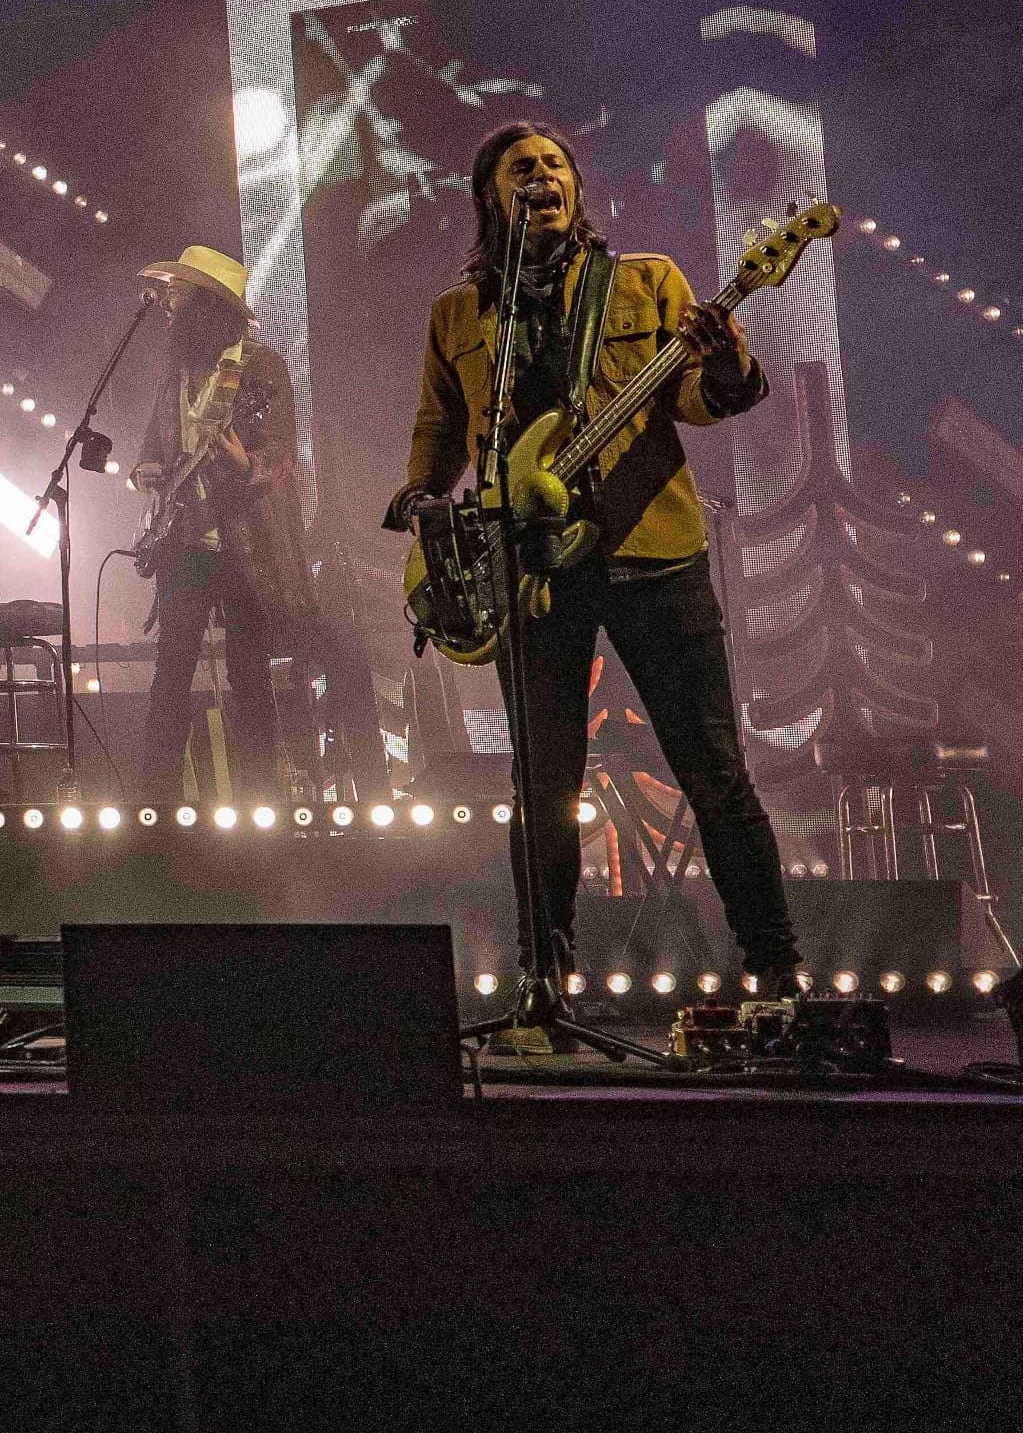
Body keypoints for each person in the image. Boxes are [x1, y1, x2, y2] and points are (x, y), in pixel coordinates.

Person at [388, 120, 808, 1005]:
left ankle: (777, 969)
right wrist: (424, 501)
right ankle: (544, 978)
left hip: (654, 552)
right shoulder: (460, 317)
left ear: (575, 186)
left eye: (554, 165)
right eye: (521, 169)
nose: (542, 178)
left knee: (713, 766)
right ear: (491, 196)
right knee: (543, 784)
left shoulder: (647, 282)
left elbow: (698, 401)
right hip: (530, 572)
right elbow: (438, 429)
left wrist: (726, 357)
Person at [129, 247, 315, 806]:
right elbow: (155, 440)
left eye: (179, 294)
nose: (168, 304)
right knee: (171, 673)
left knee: (249, 670)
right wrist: (146, 469)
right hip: (184, 538)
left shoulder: (258, 367)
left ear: (205, 304)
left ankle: (264, 802)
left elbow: (283, 450)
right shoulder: (175, 367)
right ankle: (154, 802)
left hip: (243, 536)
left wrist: (243, 462)